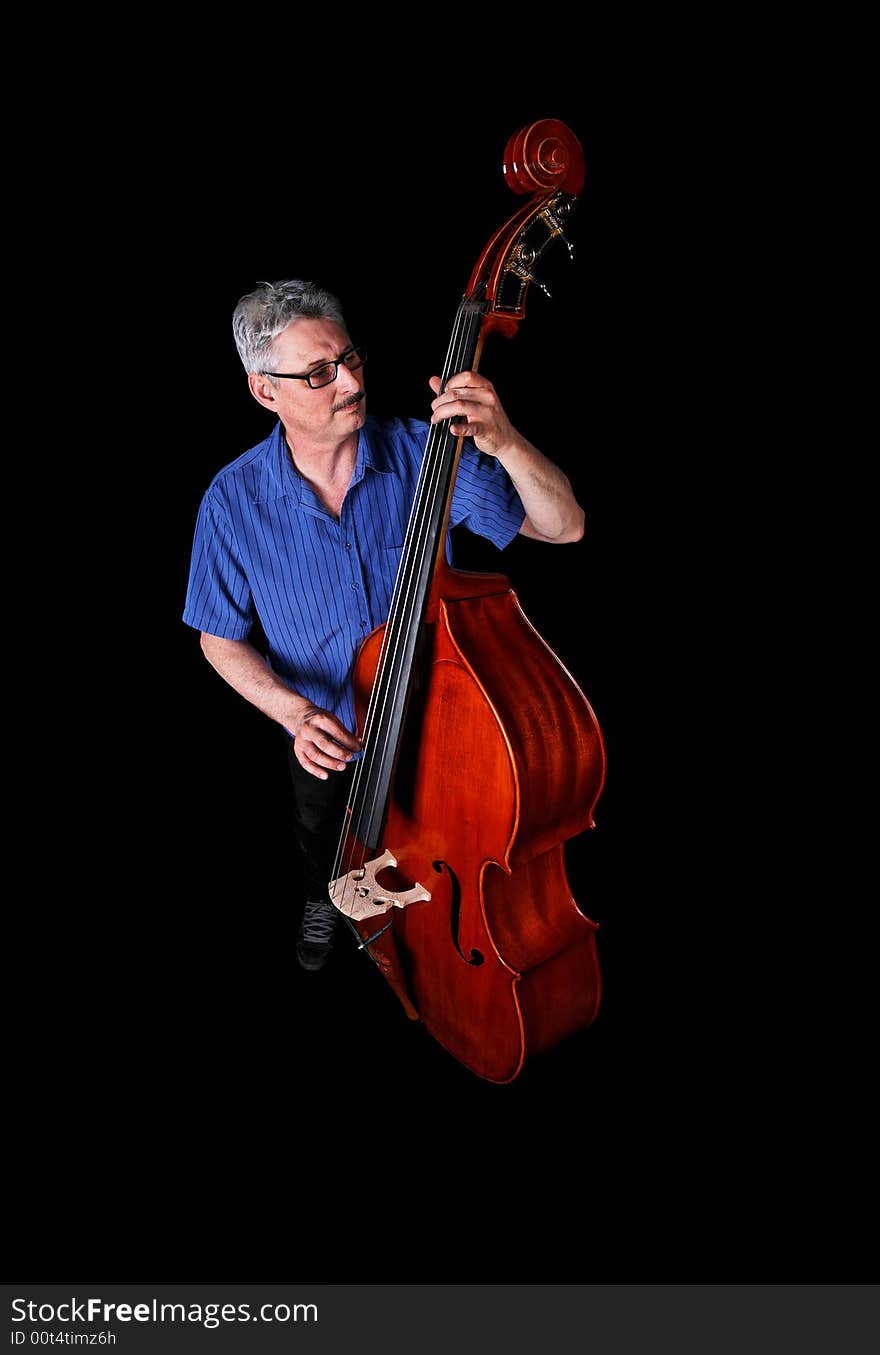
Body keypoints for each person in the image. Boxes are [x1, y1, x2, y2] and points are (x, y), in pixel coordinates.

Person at [183, 279, 585, 972]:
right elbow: (216, 633)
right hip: (328, 736)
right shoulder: (231, 500)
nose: (349, 381)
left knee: (441, 855)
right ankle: (324, 897)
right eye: (318, 372)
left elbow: (565, 528)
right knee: (323, 839)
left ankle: (423, 948)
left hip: (443, 732)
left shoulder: (423, 454)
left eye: (350, 358)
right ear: (264, 391)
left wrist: (507, 441)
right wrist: (295, 713)